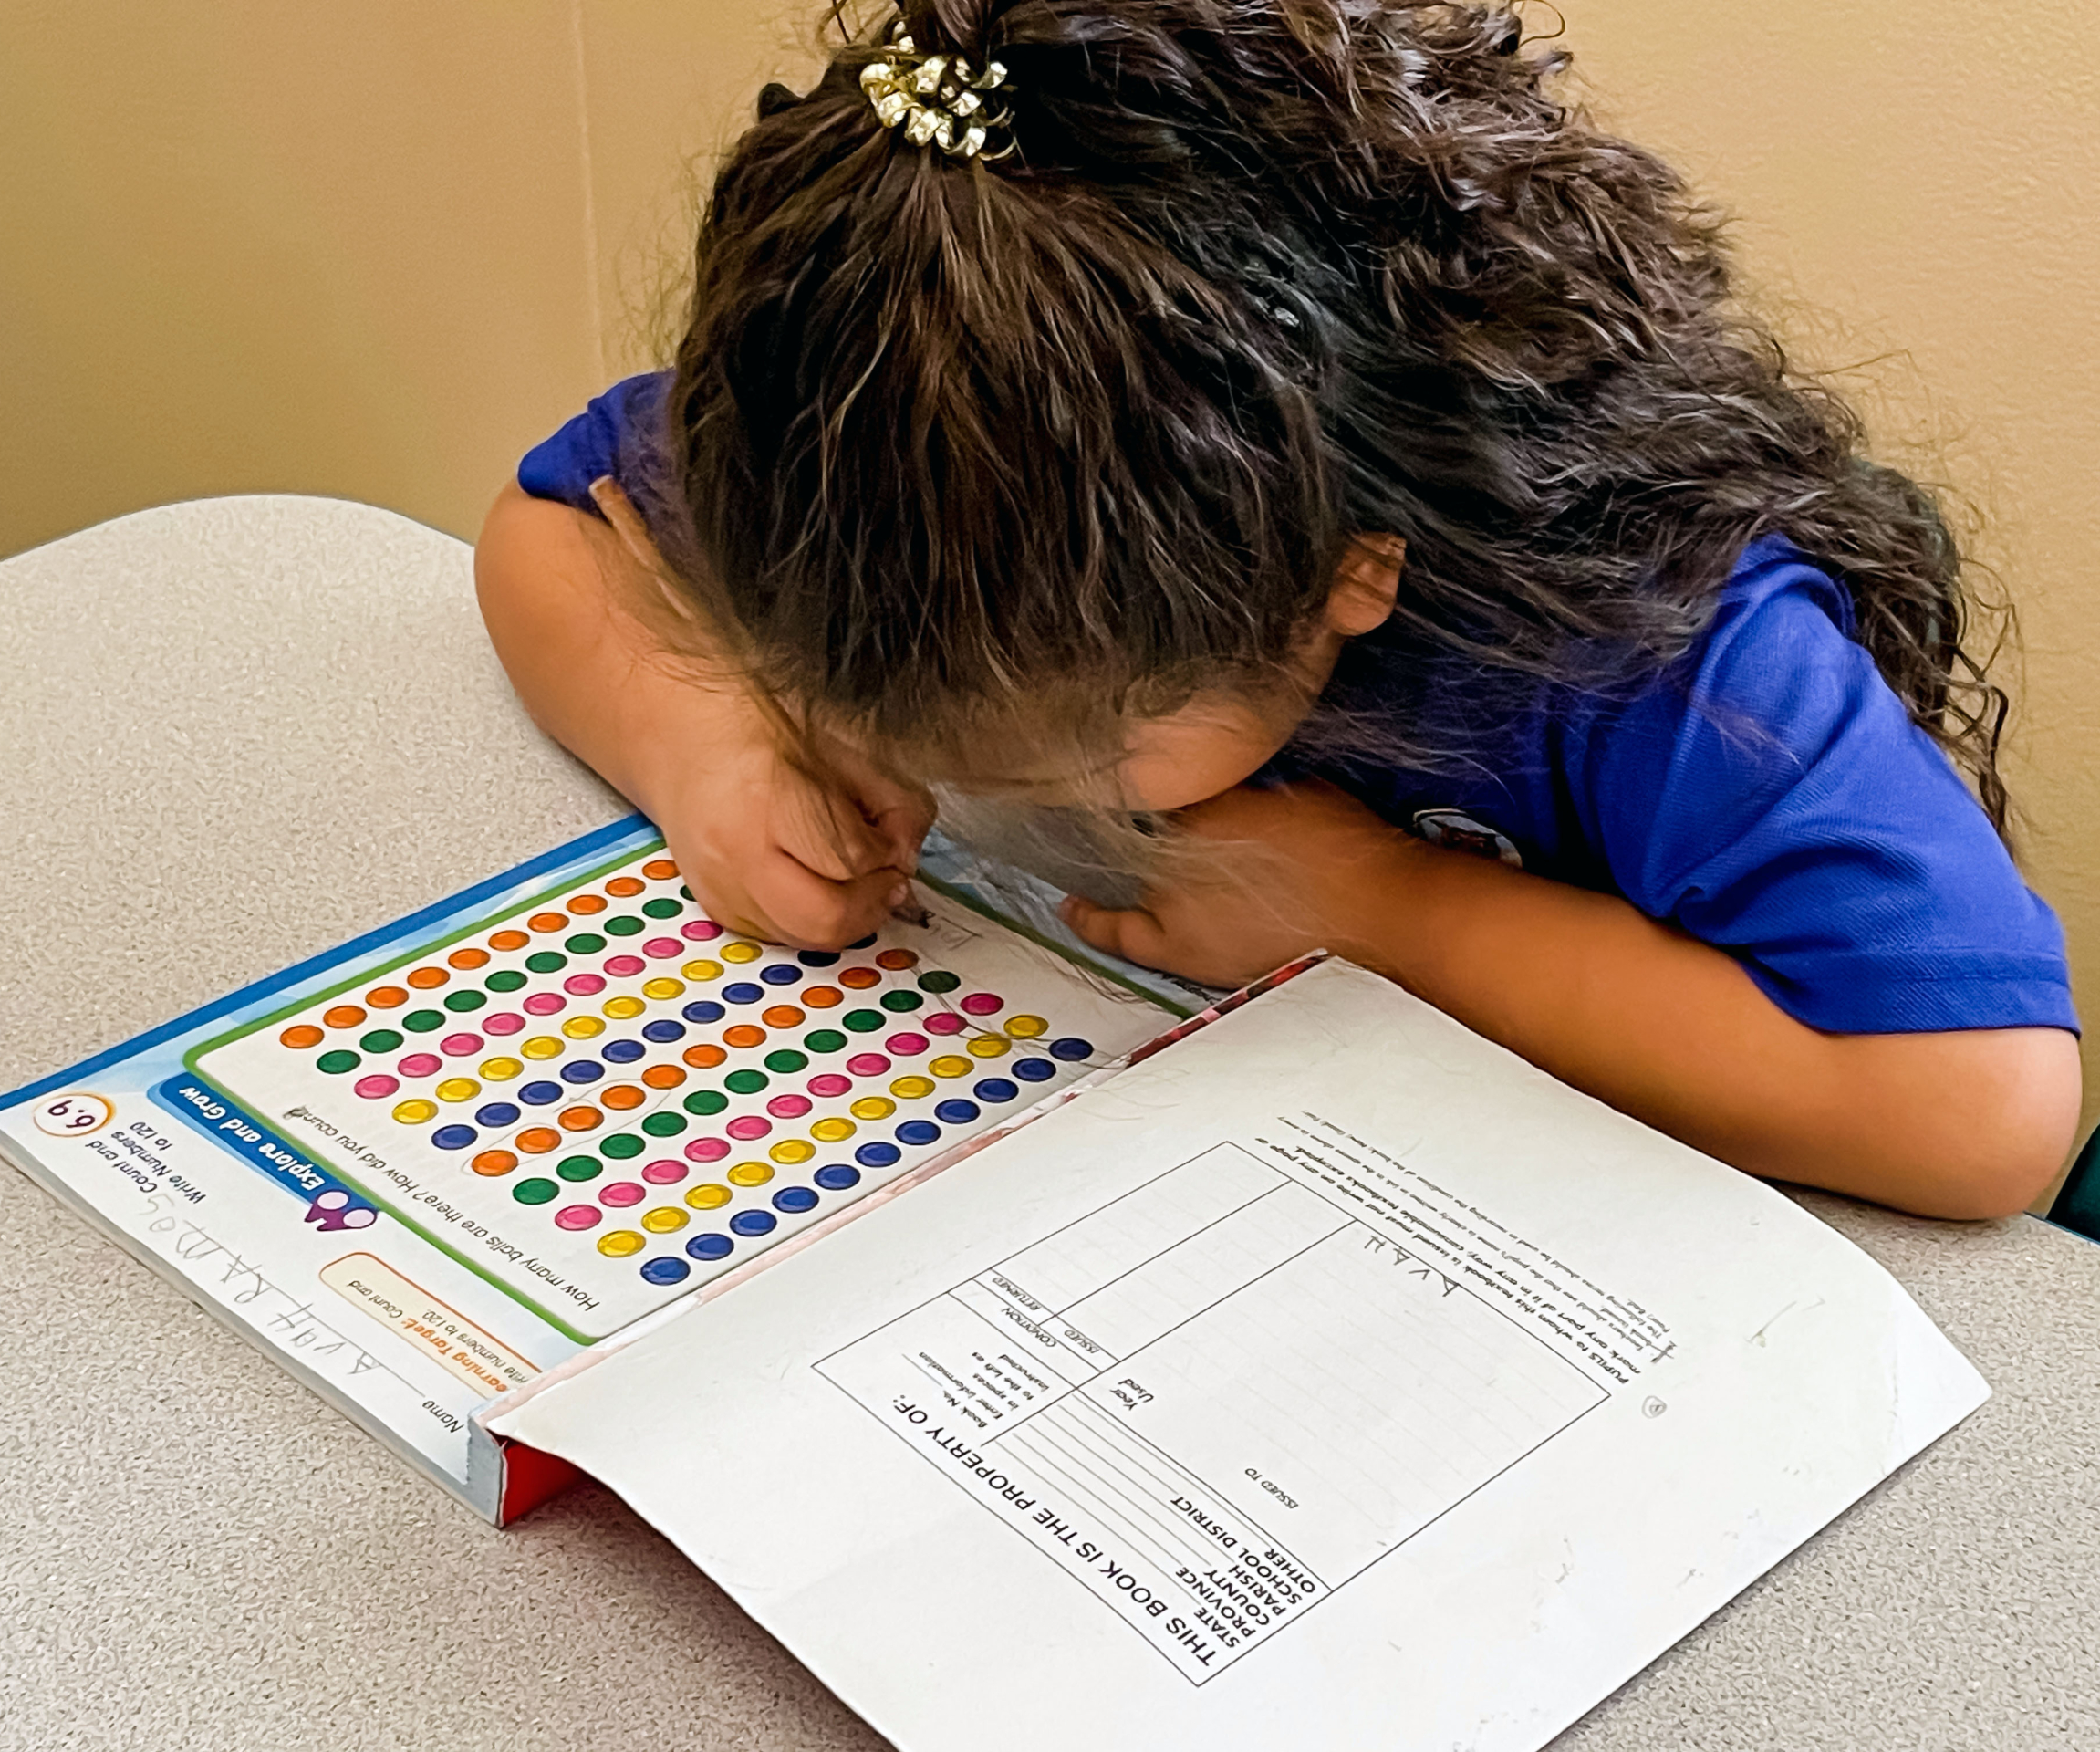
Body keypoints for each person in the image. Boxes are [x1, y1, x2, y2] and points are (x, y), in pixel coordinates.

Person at [475, 1, 2080, 1220]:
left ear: (1346, 575)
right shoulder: (892, 442)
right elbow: (551, 530)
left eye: (1071, 758)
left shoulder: (1655, 644)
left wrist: (1379, 911)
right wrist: (703, 746)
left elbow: (1985, 1109)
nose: (1009, 799)